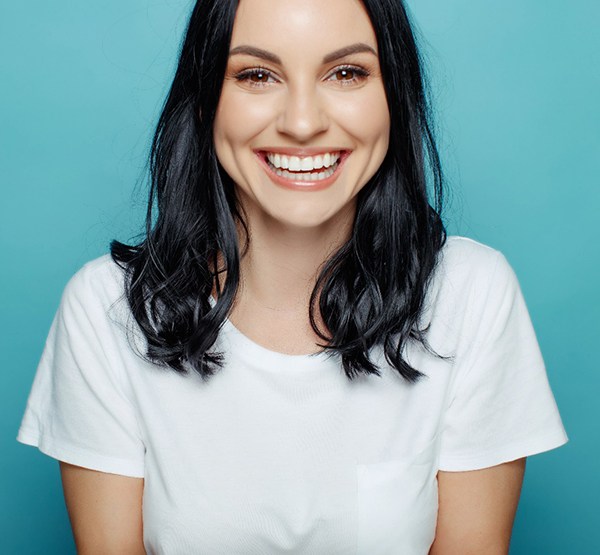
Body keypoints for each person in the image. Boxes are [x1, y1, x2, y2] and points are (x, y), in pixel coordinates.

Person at [17, 0, 568, 553]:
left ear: (392, 96)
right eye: (257, 75)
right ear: (207, 99)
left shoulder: (470, 294)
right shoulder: (109, 310)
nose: (302, 123)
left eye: (346, 72)